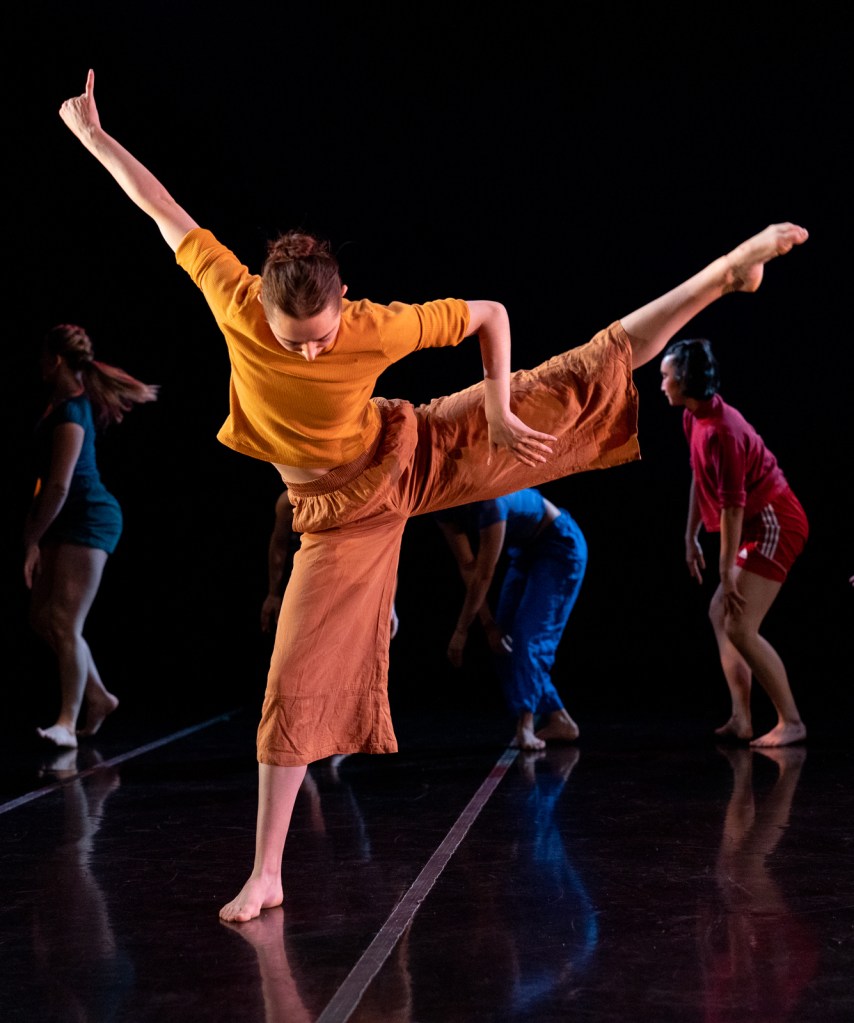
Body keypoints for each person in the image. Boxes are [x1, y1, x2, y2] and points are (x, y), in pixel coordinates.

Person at [58, 67, 808, 921]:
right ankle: (267, 872)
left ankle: (721, 272)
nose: (306, 355)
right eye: (290, 340)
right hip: (334, 522)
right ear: (260, 307)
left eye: (319, 339)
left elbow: (489, 313)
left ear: (343, 304)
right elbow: (163, 209)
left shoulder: (374, 323)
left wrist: (492, 406)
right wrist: (93, 136)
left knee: (572, 378)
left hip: (410, 450)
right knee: (292, 675)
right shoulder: (233, 295)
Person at [660, 338, 808, 747]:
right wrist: (689, 534)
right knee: (719, 612)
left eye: (666, 376)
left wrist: (726, 570)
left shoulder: (723, 431)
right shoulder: (694, 418)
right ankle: (742, 719)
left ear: (685, 380)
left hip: (776, 522)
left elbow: (732, 508)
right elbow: (698, 476)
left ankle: (791, 721)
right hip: (754, 523)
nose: (662, 384)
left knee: (740, 625)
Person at [24, 323, 158, 749]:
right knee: (42, 618)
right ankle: (99, 697)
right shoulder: (58, 405)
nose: (40, 366)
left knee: (64, 620)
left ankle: (67, 722)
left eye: (44, 358)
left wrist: (31, 539)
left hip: (89, 518)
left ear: (56, 360)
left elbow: (61, 486)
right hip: (64, 520)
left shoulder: (71, 412)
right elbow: (46, 483)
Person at [435, 488, 587, 750]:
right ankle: (559, 718)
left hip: (560, 546)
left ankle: (526, 725)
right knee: (501, 641)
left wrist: (461, 632)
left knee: (527, 639)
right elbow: (468, 567)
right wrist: (487, 625)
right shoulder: (442, 505)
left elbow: (484, 576)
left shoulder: (489, 501)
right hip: (525, 551)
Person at [261, 484, 399, 637]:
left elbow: (384, 553)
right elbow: (279, 546)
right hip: (305, 589)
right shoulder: (291, 501)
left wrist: (389, 604)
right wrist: (273, 594)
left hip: (348, 591)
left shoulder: (364, 499)